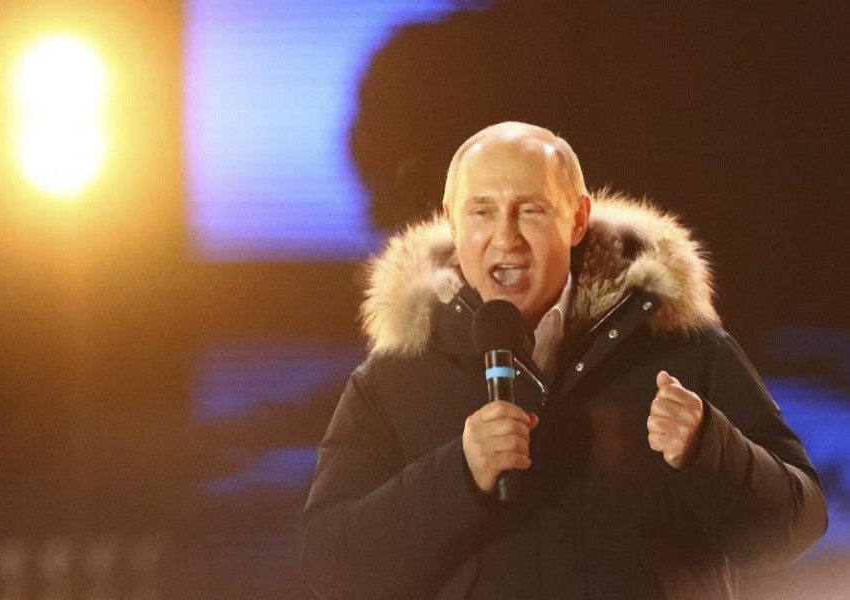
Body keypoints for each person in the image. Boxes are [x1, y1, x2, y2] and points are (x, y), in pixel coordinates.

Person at [300, 122, 827, 599]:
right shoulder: (393, 377)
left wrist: (709, 448)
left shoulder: (682, 348)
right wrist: (458, 476)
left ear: (577, 219)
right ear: (452, 222)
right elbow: (334, 568)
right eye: (482, 211)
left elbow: (795, 527)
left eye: (531, 209)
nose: (506, 237)